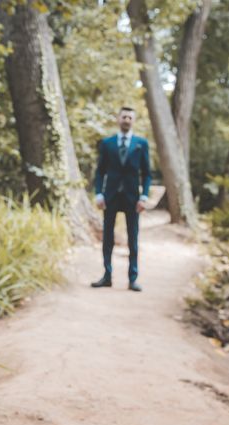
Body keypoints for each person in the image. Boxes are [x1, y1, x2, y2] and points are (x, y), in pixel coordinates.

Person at [91, 107, 151, 292]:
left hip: (132, 199)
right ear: (118, 119)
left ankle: (133, 278)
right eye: (124, 116)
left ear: (134, 120)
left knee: (133, 239)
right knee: (107, 237)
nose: (126, 120)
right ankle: (107, 276)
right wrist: (99, 194)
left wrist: (144, 197)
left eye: (130, 117)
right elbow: (100, 171)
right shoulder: (107, 143)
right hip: (111, 197)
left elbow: (147, 174)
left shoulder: (141, 143)